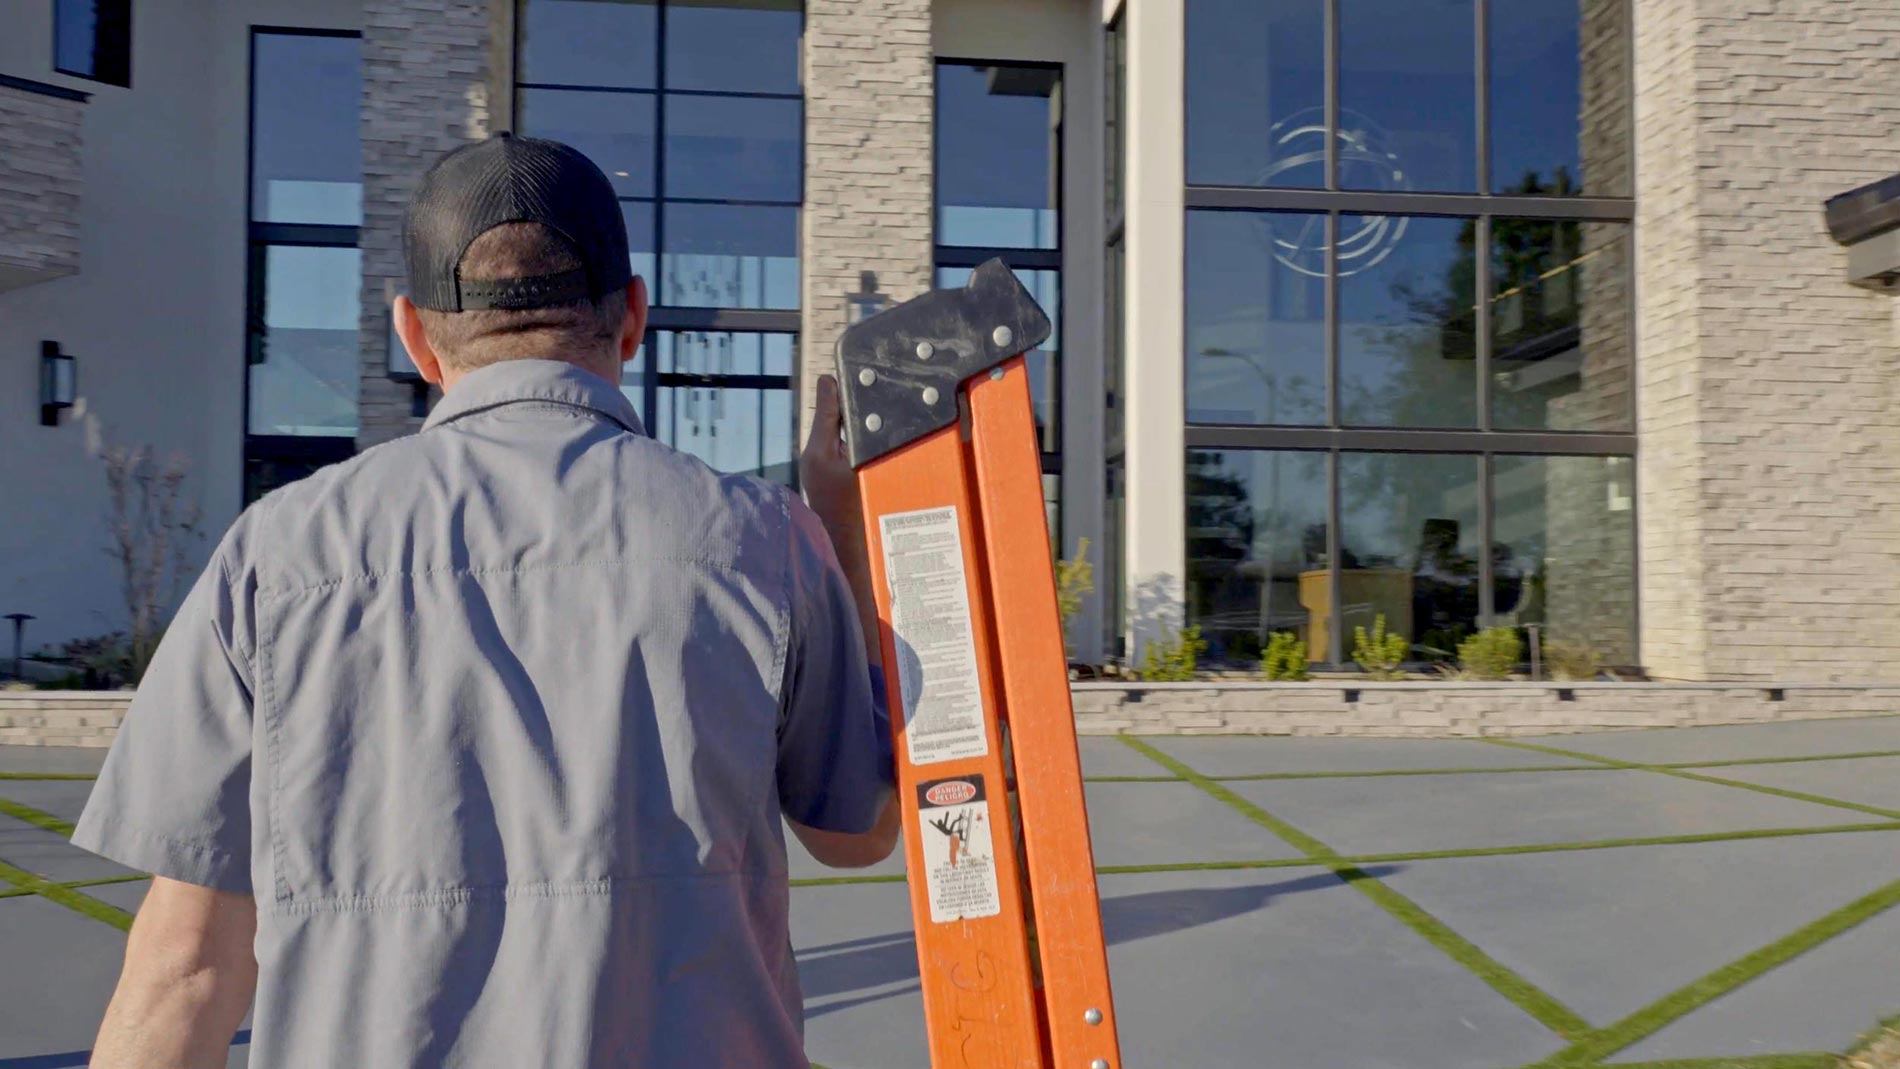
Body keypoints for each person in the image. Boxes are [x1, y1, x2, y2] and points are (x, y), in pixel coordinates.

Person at [71, 133, 898, 1067]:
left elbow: (187, 963)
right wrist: (846, 533)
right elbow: (855, 831)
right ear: (631, 317)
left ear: (414, 334)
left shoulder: (279, 552)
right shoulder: (763, 540)